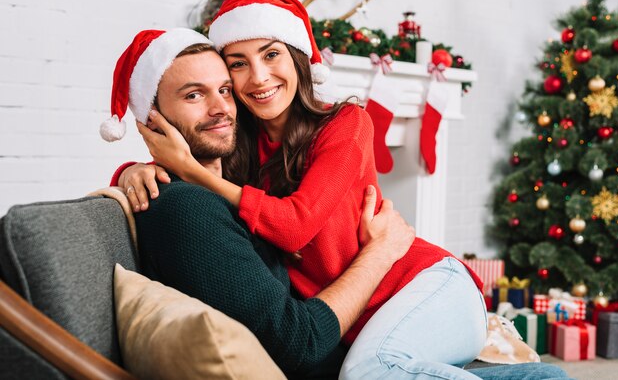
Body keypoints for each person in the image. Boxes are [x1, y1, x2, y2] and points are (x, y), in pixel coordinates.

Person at [103, 28, 572, 380]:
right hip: (364, 316)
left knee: (370, 374)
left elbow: (293, 227)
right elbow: (180, 193)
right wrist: (130, 173)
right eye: (236, 69)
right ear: (151, 119)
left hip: (422, 282)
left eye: (223, 89)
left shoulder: (344, 124)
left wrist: (187, 170)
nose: (227, 101)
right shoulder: (237, 162)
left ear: (298, 60)